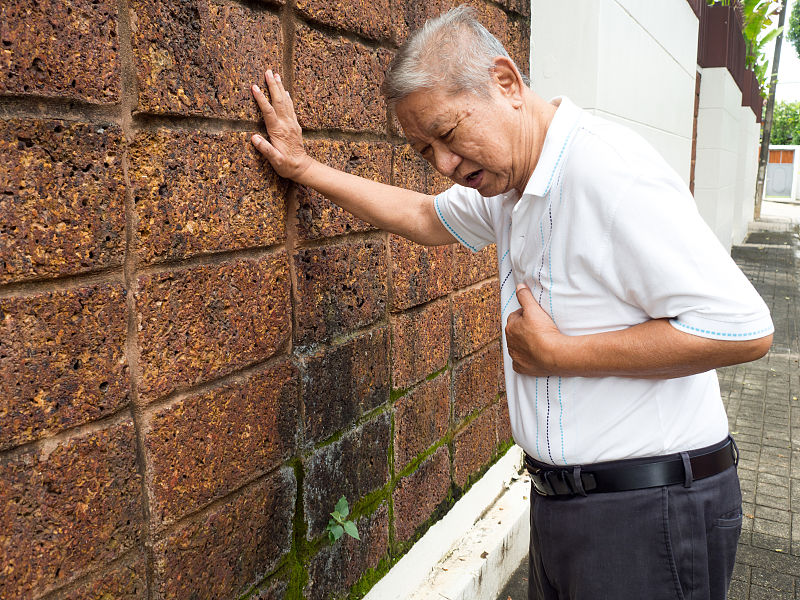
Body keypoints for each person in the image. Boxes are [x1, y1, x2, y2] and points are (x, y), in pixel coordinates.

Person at [250, 6, 773, 599]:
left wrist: (560, 355)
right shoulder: (509, 186)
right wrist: (304, 167)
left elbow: (743, 329)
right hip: (566, 507)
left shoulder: (607, 172)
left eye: (447, 134)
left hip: (649, 513)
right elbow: (423, 216)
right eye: (425, 151)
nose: (445, 164)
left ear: (506, 83)